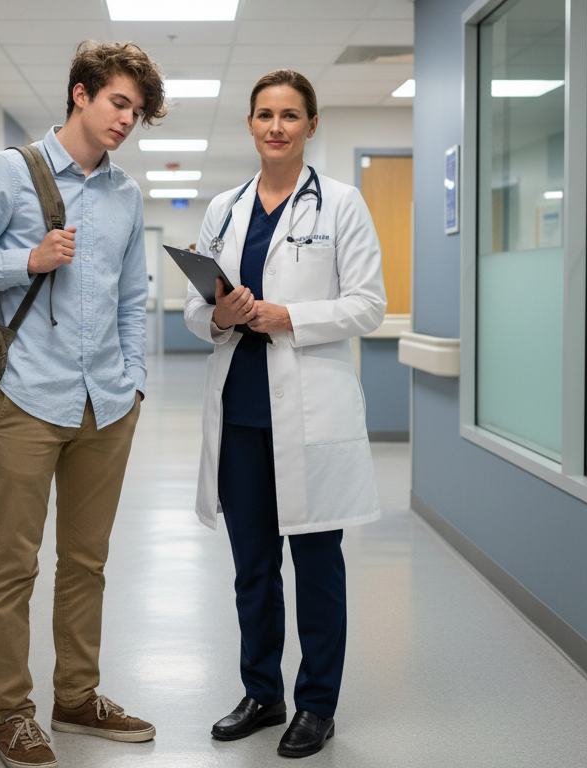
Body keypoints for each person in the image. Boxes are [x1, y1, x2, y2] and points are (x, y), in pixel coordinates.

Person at [0, 40, 168, 768]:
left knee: (87, 561)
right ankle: (12, 713)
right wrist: (24, 261)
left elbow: (133, 299)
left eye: (138, 110)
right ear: (80, 94)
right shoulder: (11, 172)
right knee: (12, 564)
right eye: (118, 102)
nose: (127, 119)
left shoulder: (126, 195)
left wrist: (134, 384)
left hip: (106, 405)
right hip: (27, 397)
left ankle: (76, 694)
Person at [183, 69, 387, 758]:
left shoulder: (343, 204)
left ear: (310, 125)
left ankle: (318, 704)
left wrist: (285, 315)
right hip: (240, 406)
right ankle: (262, 692)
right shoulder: (226, 207)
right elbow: (193, 306)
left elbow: (367, 304)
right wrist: (218, 313)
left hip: (309, 411)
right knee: (252, 565)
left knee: (316, 562)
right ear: (250, 124)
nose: (276, 126)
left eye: (290, 115)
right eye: (265, 114)